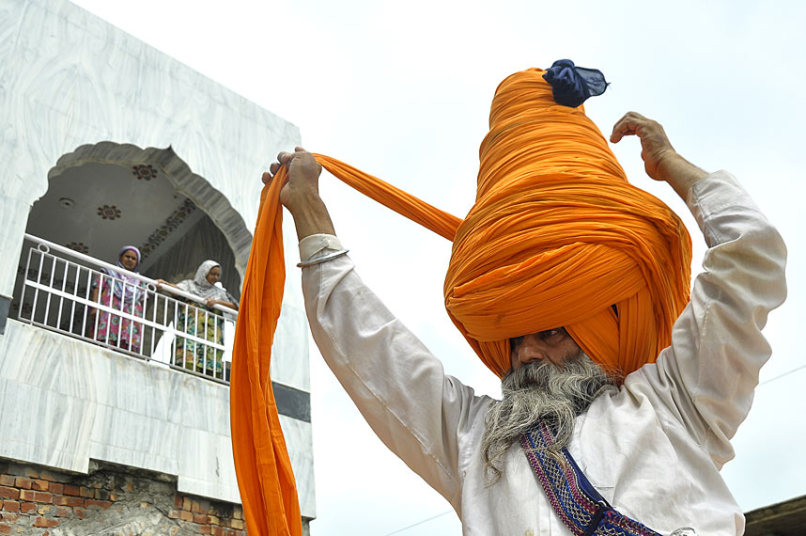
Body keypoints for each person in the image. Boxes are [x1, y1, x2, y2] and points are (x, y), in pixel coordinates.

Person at [266, 96, 786, 535]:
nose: (526, 354)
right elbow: (375, 352)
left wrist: (671, 164)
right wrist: (309, 210)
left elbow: (751, 259)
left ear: (598, 333)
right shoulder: (475, 443)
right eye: (515, 340)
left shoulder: (676, 402)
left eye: (550, 333)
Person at [158, 260, 238, 377]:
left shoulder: (219, 293)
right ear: (204, 272)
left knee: (210, 363)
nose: (215, 278)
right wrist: (164, 283)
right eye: (212, 274)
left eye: (217, 275)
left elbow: (236, 306)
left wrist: (217, 302)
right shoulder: (189, 285)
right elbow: (177, 290)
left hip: (211, 336)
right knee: (187, 361)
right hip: (190, 332)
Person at [90, 245, 147, 353]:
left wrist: (141, 319)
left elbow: (143, 300)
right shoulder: (109, 272)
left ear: (137, 263)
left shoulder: (140, 281)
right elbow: (97, 288)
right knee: (107, 339)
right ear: (121, 258)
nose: (130, 260)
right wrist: (95, 306)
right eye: (127, 256)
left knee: (127, 344)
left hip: (130, 315)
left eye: (133, 259)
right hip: (110, 310)